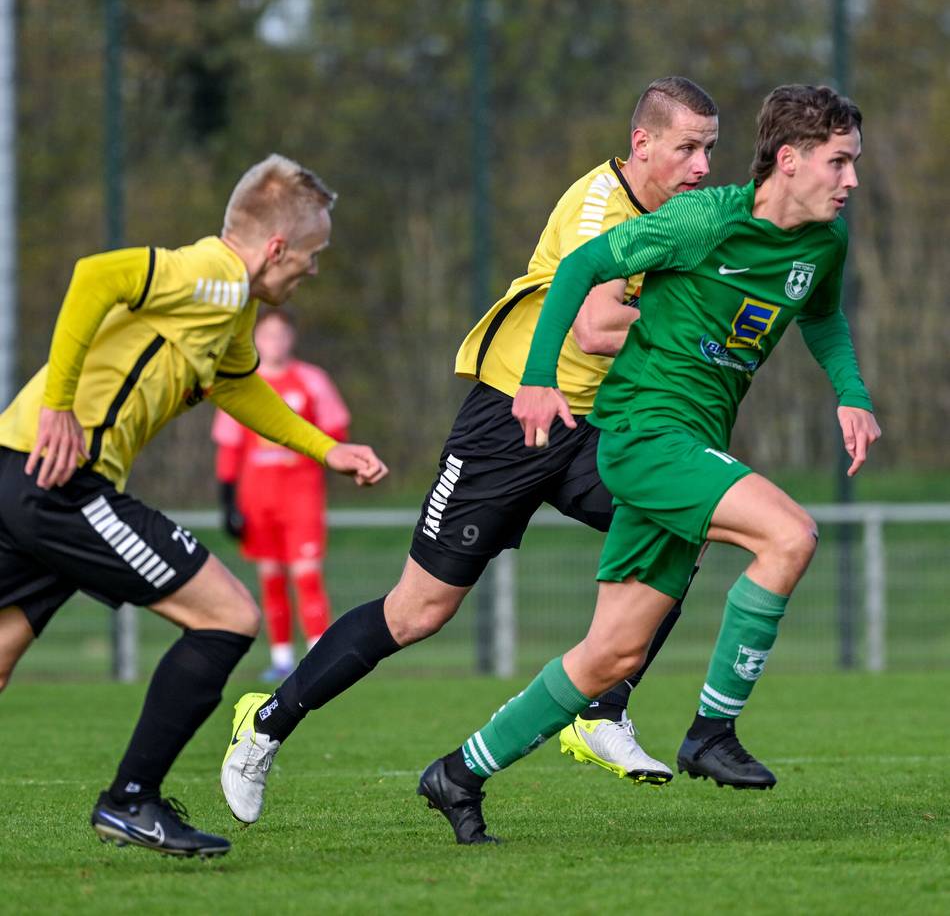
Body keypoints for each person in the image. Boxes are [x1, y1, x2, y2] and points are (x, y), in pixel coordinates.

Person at [220, 77, 721, 826]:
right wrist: (700, 334)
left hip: (595, 427)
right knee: (418, 612)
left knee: (688, 520)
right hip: (509, 418)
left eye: (711, 149)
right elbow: (592, 328)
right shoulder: (599, 208)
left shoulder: (682, 214)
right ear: (642, 143)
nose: (703, 166)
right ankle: (265, 724)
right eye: (688, 147)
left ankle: (602, 710)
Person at [416, 83, 881, 844]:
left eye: (854, 163)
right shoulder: (702, 219)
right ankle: (710, 733)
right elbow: (578, 271)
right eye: (839, 162)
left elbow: (822, 314)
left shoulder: (824, 243)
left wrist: (851, 395)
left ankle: (458, 774)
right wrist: (536, 379)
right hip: (642, 434)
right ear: (790, 161)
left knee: (611, 655)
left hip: (693, 441)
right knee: (789, 535)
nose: (852, 180)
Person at [0, 154, 388, 857]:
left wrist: (325, 449)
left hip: (19, 472)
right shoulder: (209, 275)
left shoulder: (230, 309)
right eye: (311, 254)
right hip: (63, 481)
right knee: (229, 616)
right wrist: (59, 405)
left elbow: (237, 387)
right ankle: (131, 800)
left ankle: (132, 800)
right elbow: (96, 275)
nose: (313, 270)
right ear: (274, 249)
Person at [212, 305, 350, 682]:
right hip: (258, 498)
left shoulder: (312, 380)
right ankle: (282, 659)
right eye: (267, 335)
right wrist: (227, 503)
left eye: (281, 335)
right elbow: (229, 446)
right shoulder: (242, 383)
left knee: (306, 576)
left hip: (301, 494)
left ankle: (321, 658)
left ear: (292, 339)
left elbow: (336, 431)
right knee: (271, 579)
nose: (275, 342)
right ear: (256, 339)